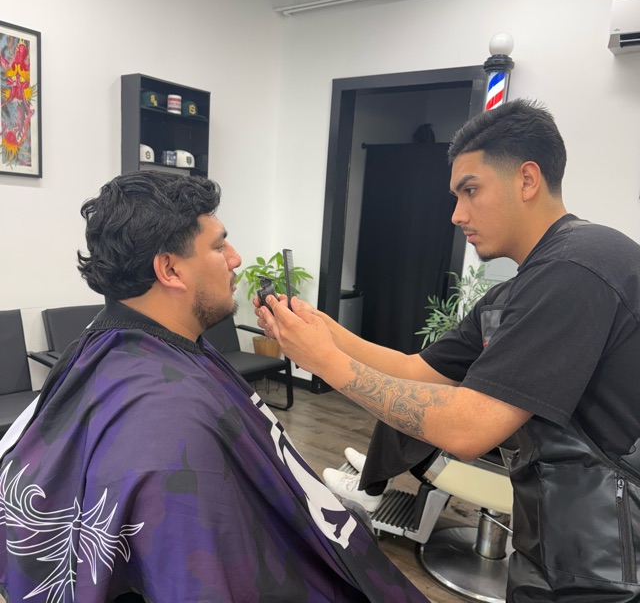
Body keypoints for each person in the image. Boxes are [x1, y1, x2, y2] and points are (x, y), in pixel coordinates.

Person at [258, 99, 640, 602]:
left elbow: (468, 428)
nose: (457, 214)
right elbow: (416, 370)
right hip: (555, 532)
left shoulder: (577, 268)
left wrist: (324, 362)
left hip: (610, 555)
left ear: (527, 180)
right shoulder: (520, 289)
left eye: (470, 191)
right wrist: (324, 331)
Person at [0, 171, 429, 603]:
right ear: (170, 269)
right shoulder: (170, 428)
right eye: (220, 246)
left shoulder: (108, 343)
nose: (236, 258)